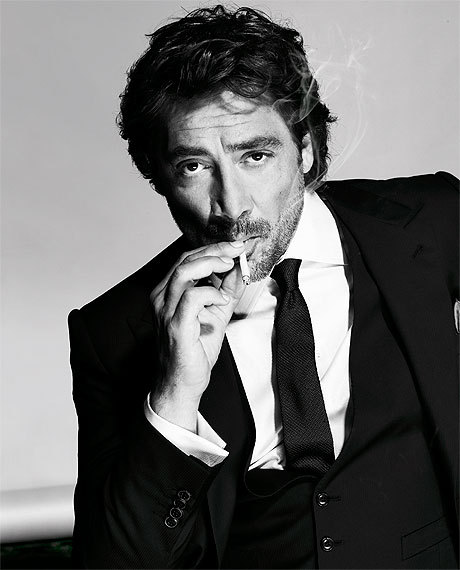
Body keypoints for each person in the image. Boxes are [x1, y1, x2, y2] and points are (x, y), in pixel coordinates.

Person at [68, 5, 459, 569]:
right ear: (160, 178)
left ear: (306, 149)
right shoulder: (113, 332)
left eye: (254, 156)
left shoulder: (434, 224)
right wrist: (175, 394)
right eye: (194, 167)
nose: (232, 207)